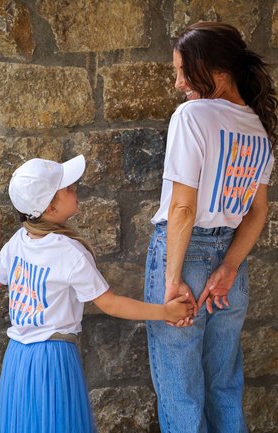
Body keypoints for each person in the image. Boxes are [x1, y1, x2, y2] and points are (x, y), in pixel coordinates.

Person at [0, 155, 194, 433]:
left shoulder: (19, 241)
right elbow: (111, 303)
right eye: (68, 188)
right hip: (54, 359)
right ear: (50, 206)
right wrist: (165, 312)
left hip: (18, 359)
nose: (76, 189)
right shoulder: (69, 251)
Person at [144, 22, 277, 433]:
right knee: (223, 381)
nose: (178, 82)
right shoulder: (259, 127)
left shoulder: (192, 115)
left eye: (185, 71)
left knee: (180, 388)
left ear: (218, 70)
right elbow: (257, 212)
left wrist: (171, 278)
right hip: (228, 269)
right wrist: (230, 267)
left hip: (184, 255)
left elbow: (183, 208)